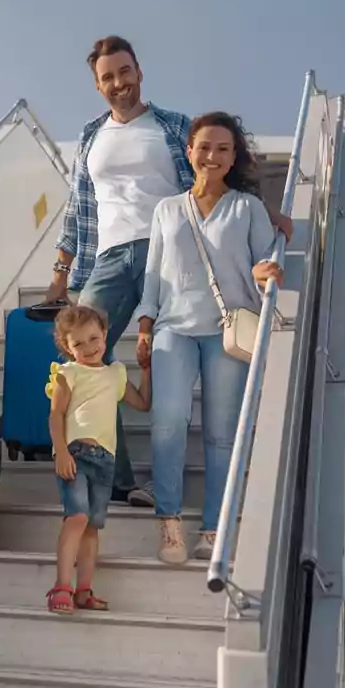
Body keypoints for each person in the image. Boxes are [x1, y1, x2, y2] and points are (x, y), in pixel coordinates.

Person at [44, 34, 293, 511]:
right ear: (98, 86)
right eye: (107, 77)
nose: (118, 83)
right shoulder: (89, 137)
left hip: (174, 255)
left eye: (125, 71)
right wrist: (61, 271)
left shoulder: (175, 125)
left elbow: (217, 172)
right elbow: (78, 209)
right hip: (111, 258)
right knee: (80, 364)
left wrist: (266, 210)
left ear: (139, 72)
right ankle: (115, 476)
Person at [133, 111, 284, 564]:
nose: (212, 155)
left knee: (221, 436)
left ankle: (214, 528)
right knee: (167, 425)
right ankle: (170, 524)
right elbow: (154, 275)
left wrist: (265, 271)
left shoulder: (248, 207)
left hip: (228, 332)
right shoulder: (166, 209)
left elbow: (263, 262)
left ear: (234, 155)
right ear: (189, 150)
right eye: (204, 146)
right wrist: (144, 326)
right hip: (172, 330)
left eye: (222, 148)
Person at [45, 304, 151, 614]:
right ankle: (61, 586)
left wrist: (146, 369)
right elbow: (56, 415)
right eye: (78, 343)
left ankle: (84, 590)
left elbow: (143, 404)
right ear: (67, 347)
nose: (89, 347)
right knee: (76, 518)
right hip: (75, 455)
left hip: (106, 461)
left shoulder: (115, 373)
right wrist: (61, 452)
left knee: (92, 527)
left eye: (94, 338)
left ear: (105, 335)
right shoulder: (68, 373)